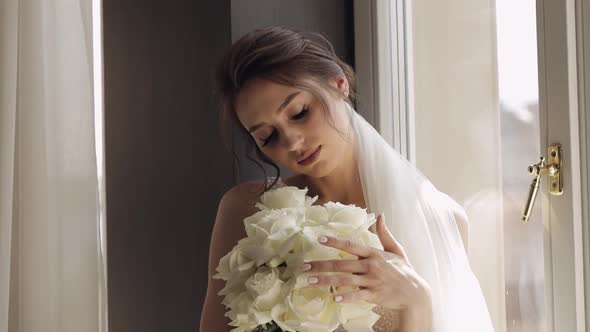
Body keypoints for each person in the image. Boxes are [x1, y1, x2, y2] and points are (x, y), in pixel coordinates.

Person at [200, 26, 494, 332]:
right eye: (267, 136)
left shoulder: (443, 219)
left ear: (339, 84)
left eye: (299, 113)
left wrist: (416, 300)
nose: (292, 142)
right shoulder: (248, 211)